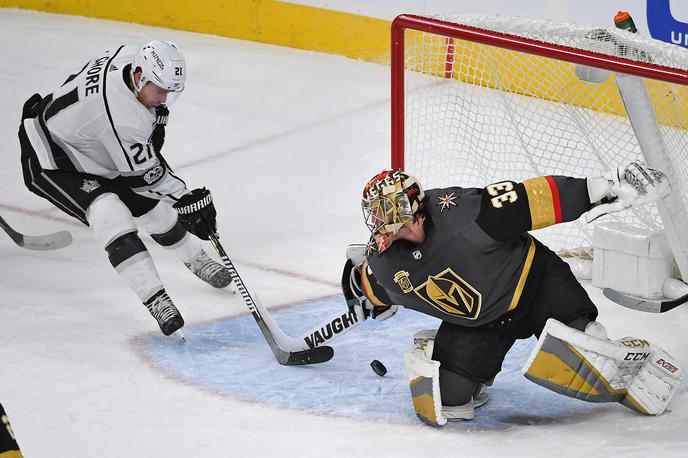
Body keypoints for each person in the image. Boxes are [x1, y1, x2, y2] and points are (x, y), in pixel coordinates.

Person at [342, 165, 682, 426]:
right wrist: (362, 289)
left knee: (582, 351)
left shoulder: (462, 212)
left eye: (387, 213)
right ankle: (452, 360)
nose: (381, 223)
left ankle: (622, 348)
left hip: (534, 283)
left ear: (410, 205)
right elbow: (375, 287)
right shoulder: (384, 261)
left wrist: (605, 186)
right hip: (480, 323)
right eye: (376, 216)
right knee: (446, 402)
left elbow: (532, 198)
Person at [18, 41, 232, 336]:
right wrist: (186, 198)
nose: (163, 98)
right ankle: (157, 299)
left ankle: (196, 258)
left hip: (92, 143)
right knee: (109, 212)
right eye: (159, 90)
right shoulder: (123, 117)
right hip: (52, 158)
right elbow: (147, 176)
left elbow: (141, 167)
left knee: (150, 209)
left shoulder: (132, 56)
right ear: (140, 76)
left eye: (168, 91)